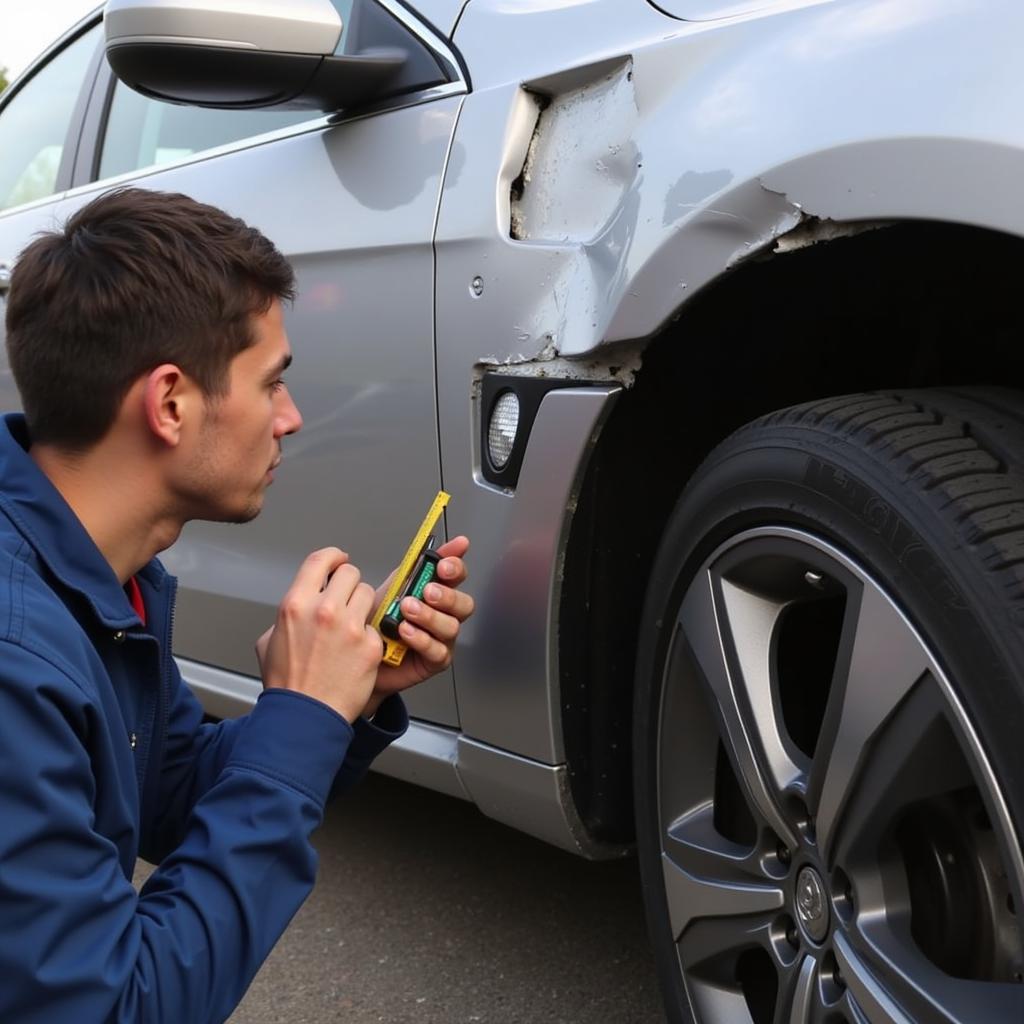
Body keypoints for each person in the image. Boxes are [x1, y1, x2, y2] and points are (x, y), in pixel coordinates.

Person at [0, 187, 474, 1023]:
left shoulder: (99, 577)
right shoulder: (16, 655)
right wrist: (295, 718)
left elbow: (172, 793)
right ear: (171, 403)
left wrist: (337, 703)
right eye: (272, 382)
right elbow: (115, 1009)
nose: (291, 419)